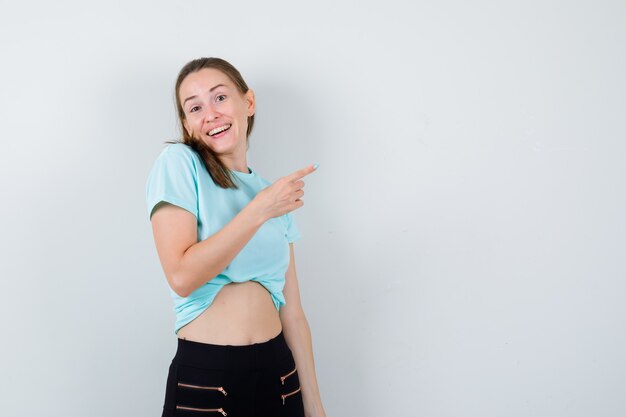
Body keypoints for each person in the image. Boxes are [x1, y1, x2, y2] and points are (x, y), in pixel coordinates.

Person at [145, 57, 327, 417]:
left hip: (280, 376)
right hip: (209, 375)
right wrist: (260, 208)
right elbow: (182, 276)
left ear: (249, 103)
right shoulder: (179, 164)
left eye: (219, 98)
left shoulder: (273, 196)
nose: (209, 113)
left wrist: (315, 405)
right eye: (195, 107)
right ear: (187, 124)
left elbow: (293, 313)